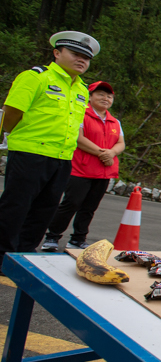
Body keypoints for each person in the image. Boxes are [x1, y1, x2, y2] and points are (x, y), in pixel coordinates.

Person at [0, 30, 100, 274]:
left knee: (45, 210)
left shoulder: (82, 90)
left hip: (62, 158)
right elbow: (11, 113)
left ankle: (24, 254)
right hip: (30, 153)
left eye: (86, 58)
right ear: (57, 53)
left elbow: (73, 125)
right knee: (16, 207)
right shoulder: (36, 77)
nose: (82, 60)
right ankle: (2, 256)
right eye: (75, 54)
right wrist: (19, 138)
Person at [40, 81, 124, 251]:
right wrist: (103, 153)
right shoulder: (80, 114)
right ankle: (52, 237)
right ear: (90, 96)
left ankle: (78, 239)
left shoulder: (114, 121)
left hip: (103, 172)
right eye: (100, 94)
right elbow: (78, 139)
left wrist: (112, 153)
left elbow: (121, 142)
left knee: (89, 208)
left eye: (109, 96)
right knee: (71, 203)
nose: (105, 98)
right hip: (80, 169)